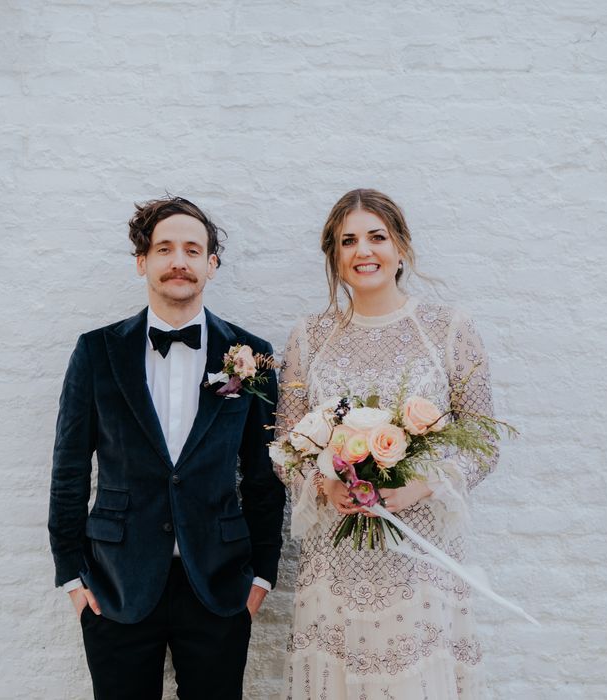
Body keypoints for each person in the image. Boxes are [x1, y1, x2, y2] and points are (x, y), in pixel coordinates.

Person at [48, 195, 285, 700]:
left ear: (211, 264)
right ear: (143, 262)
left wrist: (261, 576)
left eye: (193, 250)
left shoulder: (252, 355)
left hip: (219, 585)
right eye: (165, 249)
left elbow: (265, 475)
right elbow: (69, 468)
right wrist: (71, 574)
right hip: (116, 585)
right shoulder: (97, 351)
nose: (179, 260)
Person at [275, 189, 497, 699]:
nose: (363, 251)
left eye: (377, 236)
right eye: (347, 240)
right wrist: (325, 487)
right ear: (333, 255)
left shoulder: (447, 329)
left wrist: (419, 485)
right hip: (336, 559)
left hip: (424, 559)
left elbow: (483, 438)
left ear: (401, 247)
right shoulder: (310, 336)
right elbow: (288, 442)